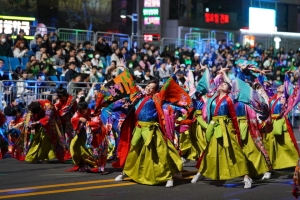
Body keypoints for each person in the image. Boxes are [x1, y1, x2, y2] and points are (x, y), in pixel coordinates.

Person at [96, 70, 193, 187]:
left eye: (152, 88)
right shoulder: (137, 95)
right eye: (147, 86)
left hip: (152, 130)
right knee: (133, 152)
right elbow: (128, 84)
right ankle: (125, 172)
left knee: (160, 153)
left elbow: (167, 88)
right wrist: (122, 70)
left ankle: (168, 177)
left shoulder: (157, 98)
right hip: (139, 128)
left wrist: (173, 75)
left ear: (155, 90)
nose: (148, 89)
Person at [191, 68, 268, 189]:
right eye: (221, 83)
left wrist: (241, 72)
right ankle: (201, 172)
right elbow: (205, 84)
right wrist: (204, 70)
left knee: (236, 152)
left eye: (226, 84)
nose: (223, 84)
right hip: (215, 126)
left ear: (229, 89)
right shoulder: (212, 97)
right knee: (210, 152)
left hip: (227, 128)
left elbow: (238, 85)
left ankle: (246, 177)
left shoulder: (231, 97)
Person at [68, 97, 108, 174]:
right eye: (80, 111)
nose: (81, 112)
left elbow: (97, 123)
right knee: (74, 145)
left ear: (87, 108)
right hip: (82, 135)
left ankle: (98, 166)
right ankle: (82, 164)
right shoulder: (78, 113)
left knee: (96, 151)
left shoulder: (92, 112)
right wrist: (79, 119)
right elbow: (73, 119)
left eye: (83, 110)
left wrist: (87, 122)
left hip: (95, 136)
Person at [54, 85, 77, 160]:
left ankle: (70, 152)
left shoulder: (71, 99)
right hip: (61, 120)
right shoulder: (61, 99)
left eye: (61, 97)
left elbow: (65, 110)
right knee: (61, 136)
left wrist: (57, 113)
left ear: (64, 95)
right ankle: (63, 152)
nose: (60, 99)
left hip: (70, 120)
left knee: (69, 136)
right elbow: (56, 106)